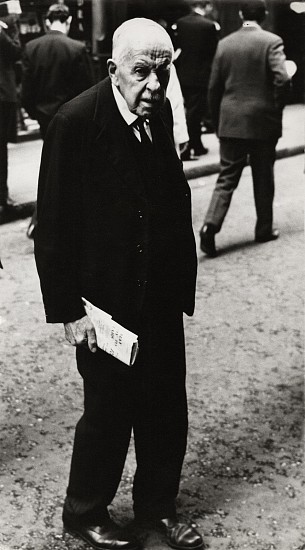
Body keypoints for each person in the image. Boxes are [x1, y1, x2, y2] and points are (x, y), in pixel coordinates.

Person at [34, 17, 203, 550]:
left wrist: (179, 280)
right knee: (107, 413)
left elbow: (167, 195)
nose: (155, 84)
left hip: (157, 293)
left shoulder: (162, 109)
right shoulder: (76, 122)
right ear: (113, 70)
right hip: (104, 301)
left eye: (164, 70)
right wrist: (68, 312)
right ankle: (85, 511)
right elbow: (54, 227)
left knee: (166, 409)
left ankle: (158, 510)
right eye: (141, 72)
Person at [199, 0, 291, 257]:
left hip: (230, 121)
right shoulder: (271, 42)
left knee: (227, 177)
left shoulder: (224, 44)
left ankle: (210, 225)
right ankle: (263, 229)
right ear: (264, 14)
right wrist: (275, 107)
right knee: (263, 176)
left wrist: (218, 121)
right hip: (262, 122)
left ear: (240, 14)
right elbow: (282, 79)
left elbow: (213, 88)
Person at [21, 3, 94, 238]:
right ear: (69, 21)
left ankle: (43, 217)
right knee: (72, 168)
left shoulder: (32, 47)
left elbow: (27, 91)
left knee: (50, 166)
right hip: (71, 118)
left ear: (47, 21)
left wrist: (36, 113)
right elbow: (87, 89)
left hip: (45, 117)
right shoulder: (77, 47)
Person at [175, 1, 218, 160]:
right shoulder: (208, 25)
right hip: (200, 76)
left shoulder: (181, 23)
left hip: (183, 73)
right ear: (206, 6)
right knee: (195, 113)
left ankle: (196, 145)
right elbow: (213, 51)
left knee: (188, 110)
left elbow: (178, 47)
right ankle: (188, 147)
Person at [0, 13, 21, 223]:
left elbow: (16, 52)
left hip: (3, 96)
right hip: (4, 95)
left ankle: (2, 196)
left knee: (1, 149)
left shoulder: (5, 29)